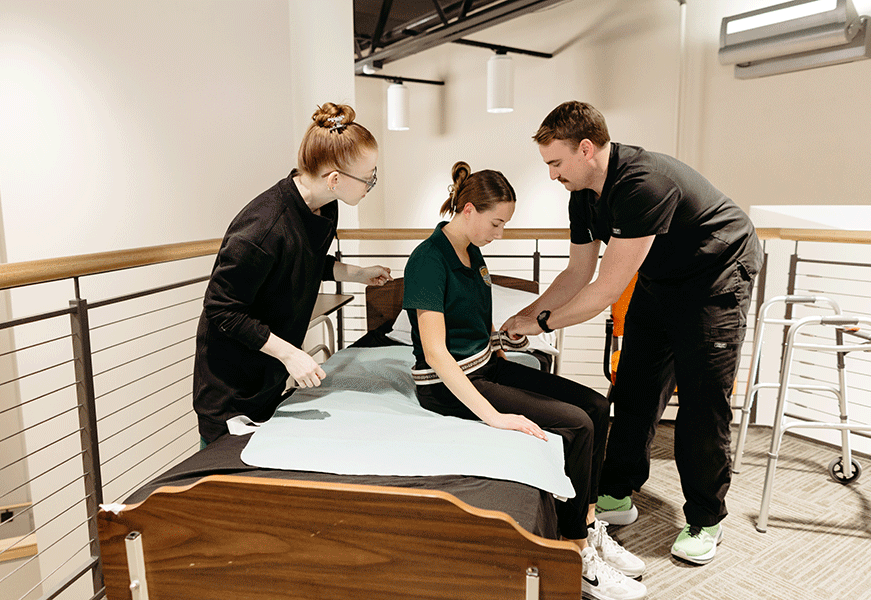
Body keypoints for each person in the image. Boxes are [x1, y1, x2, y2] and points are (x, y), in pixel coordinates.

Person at [503, 101, 763, 566]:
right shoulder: (582, 192)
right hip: (661, 279)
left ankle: (706, 518)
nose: (551, 175)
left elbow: (604, 290)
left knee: (703, 403)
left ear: (586, 150)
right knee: (635, 387)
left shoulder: (644, 183)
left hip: (716, 275)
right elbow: (576, 273)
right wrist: (525, 317)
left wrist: (542, 325)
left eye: (556, 163)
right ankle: (618, 493)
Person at [403, 161, 647, 600]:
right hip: (446, 386)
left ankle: (588, 524)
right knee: (576, 425)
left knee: (594, 406)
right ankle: (574, 554)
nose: (499, 233)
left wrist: (500, 339)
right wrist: (495, 416)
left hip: (485, 364)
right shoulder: (427, 260)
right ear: (469, 210)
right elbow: (438, 353)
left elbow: (469, 326)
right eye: (496, 223)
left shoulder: (471, 252)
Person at [193, 103, 392, 446]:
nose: (370, 184)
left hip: (269, 376)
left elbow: (305, 261)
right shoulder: (263, 228)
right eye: (368, 177)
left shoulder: (324, 207)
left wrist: (358, 274)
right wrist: (291, 353)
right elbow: (222, 309)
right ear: (335, 179)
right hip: (230, 389)